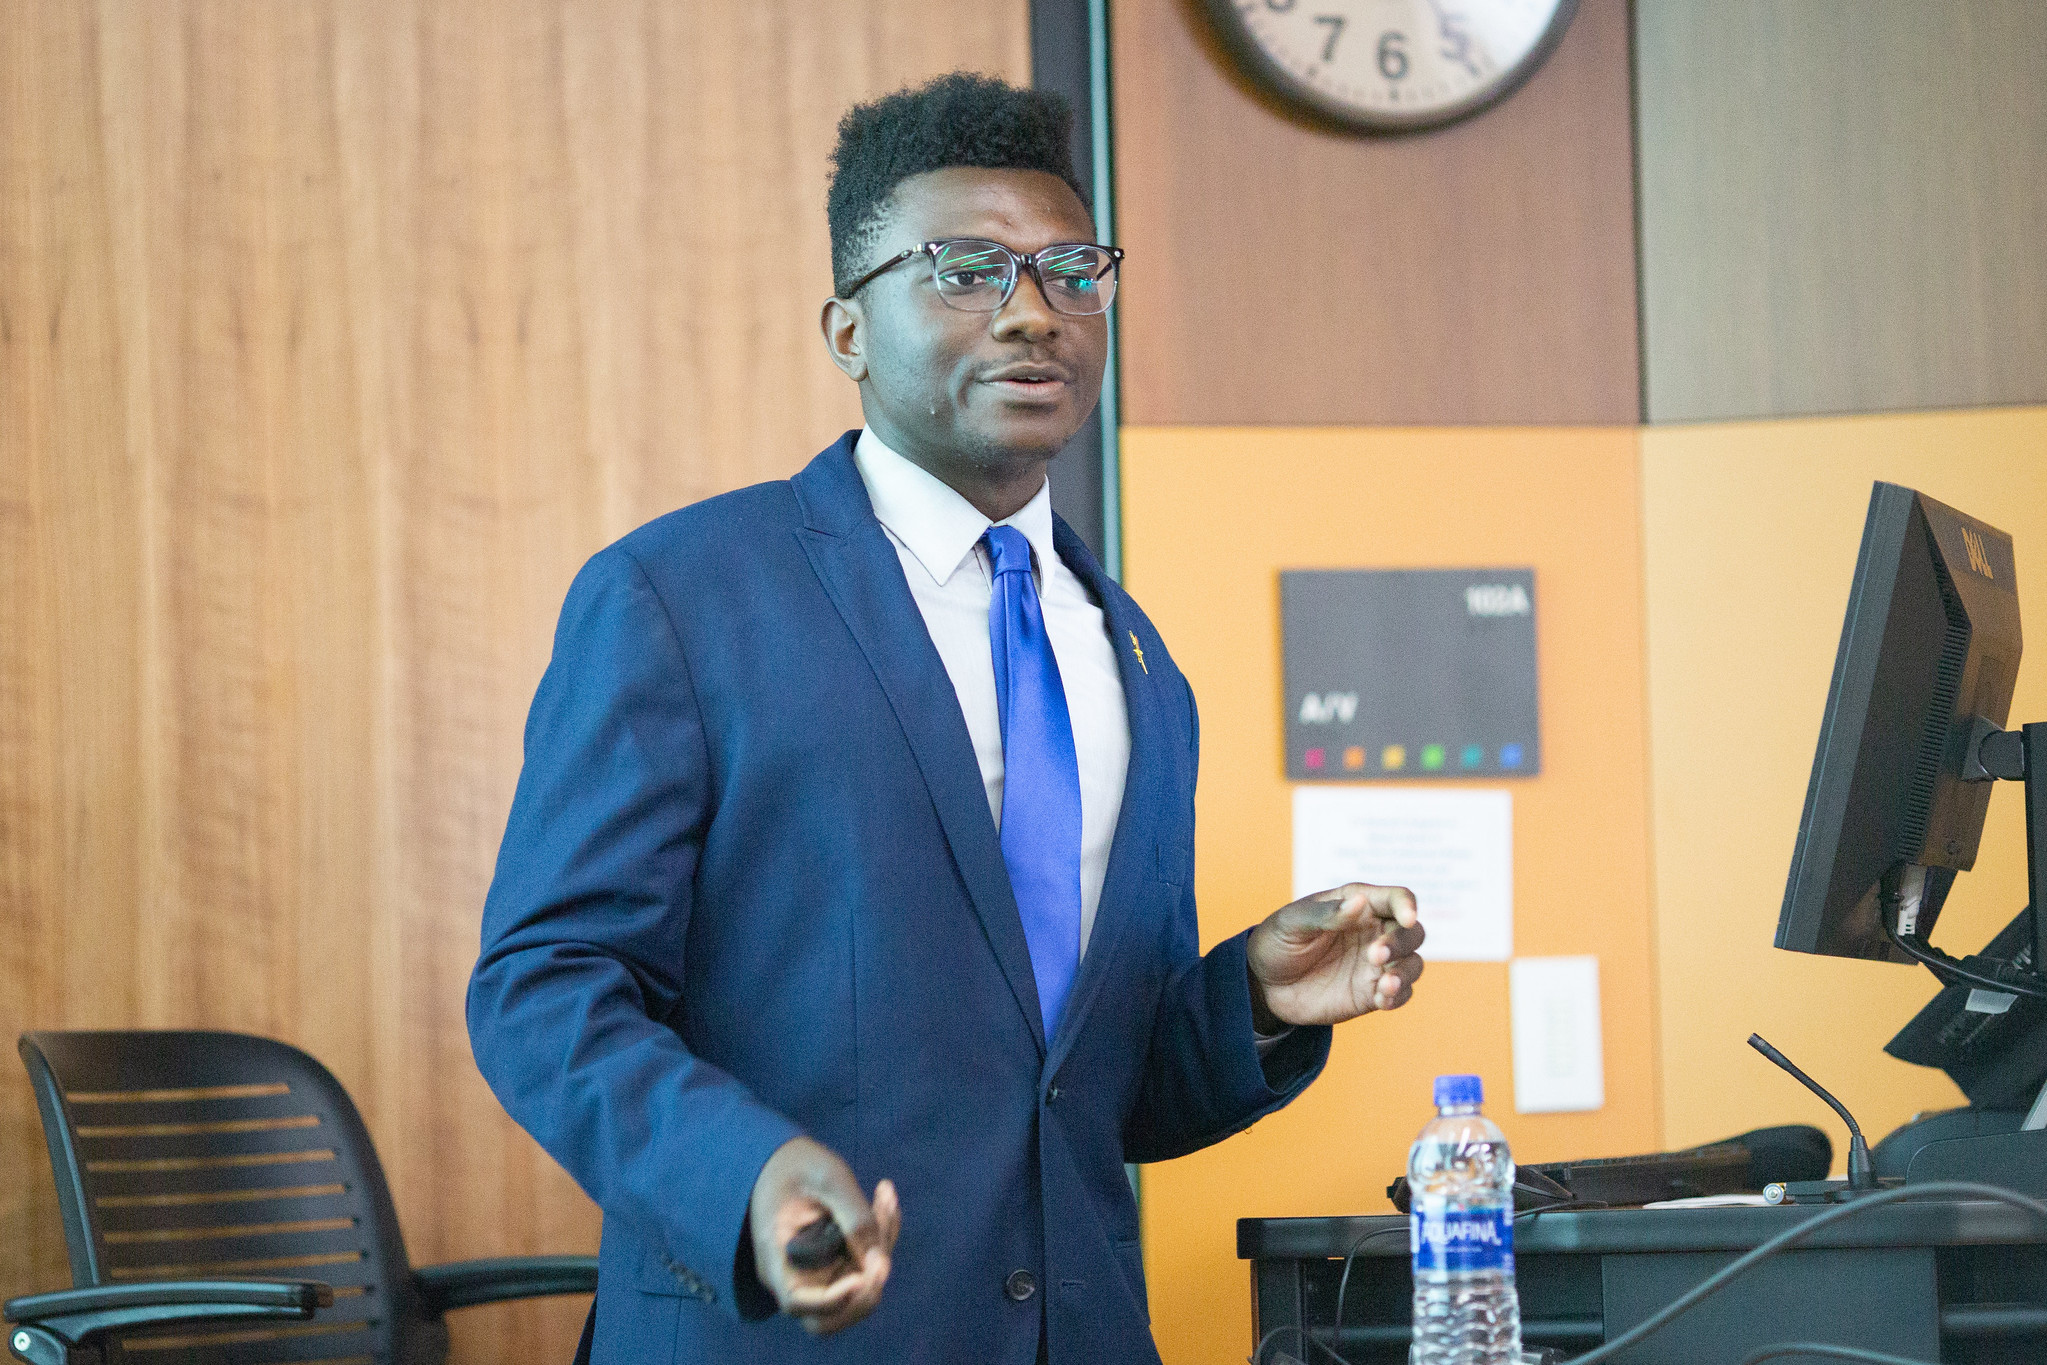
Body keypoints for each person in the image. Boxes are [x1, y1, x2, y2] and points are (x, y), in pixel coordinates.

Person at [467, 72, 1425, 1365]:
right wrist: (745, 1177)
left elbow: (1086, 1090)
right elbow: (544, 987)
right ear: (849, 331)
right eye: (967, 270)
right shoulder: (680, 598)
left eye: (1072, 271)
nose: (1034, 314)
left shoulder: (1135, 658)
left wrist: (1251, 999)